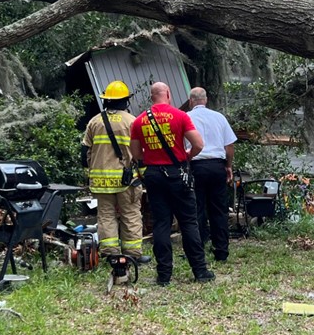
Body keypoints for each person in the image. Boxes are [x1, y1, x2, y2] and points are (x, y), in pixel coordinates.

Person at [130, 82, 215, 286]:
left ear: (151, 97)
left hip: (154, 176)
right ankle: (200, 271)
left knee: (161, 224)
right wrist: (186, 157)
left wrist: (152, 156)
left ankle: (164, 275)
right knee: (188, 222)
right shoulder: (180, 116)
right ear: (168, 94)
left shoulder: (139, 121)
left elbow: (135, 154)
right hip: (177, 174)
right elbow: (199, 144)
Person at [81, 80, 149, 265]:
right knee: (131, 215)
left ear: (106, 101)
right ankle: (133, 254)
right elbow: (140, 151)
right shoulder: (132, 121)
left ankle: (111, 254)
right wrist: (143, 173)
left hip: (101, 182)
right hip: (126, 180)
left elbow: (84, 151)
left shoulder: (94, 122)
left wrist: (89, 173)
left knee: (106, 216)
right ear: (125, 101)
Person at [186, 87, 237, 262]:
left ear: (191, 101)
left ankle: (198, 250)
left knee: (197, 209)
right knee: (219, 210)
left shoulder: (186, 117)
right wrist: (228, 166)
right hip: (217, 165)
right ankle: (221, 251)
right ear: (205, 100)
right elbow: (229, 146)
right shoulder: (219, 117)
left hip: (196, 165)